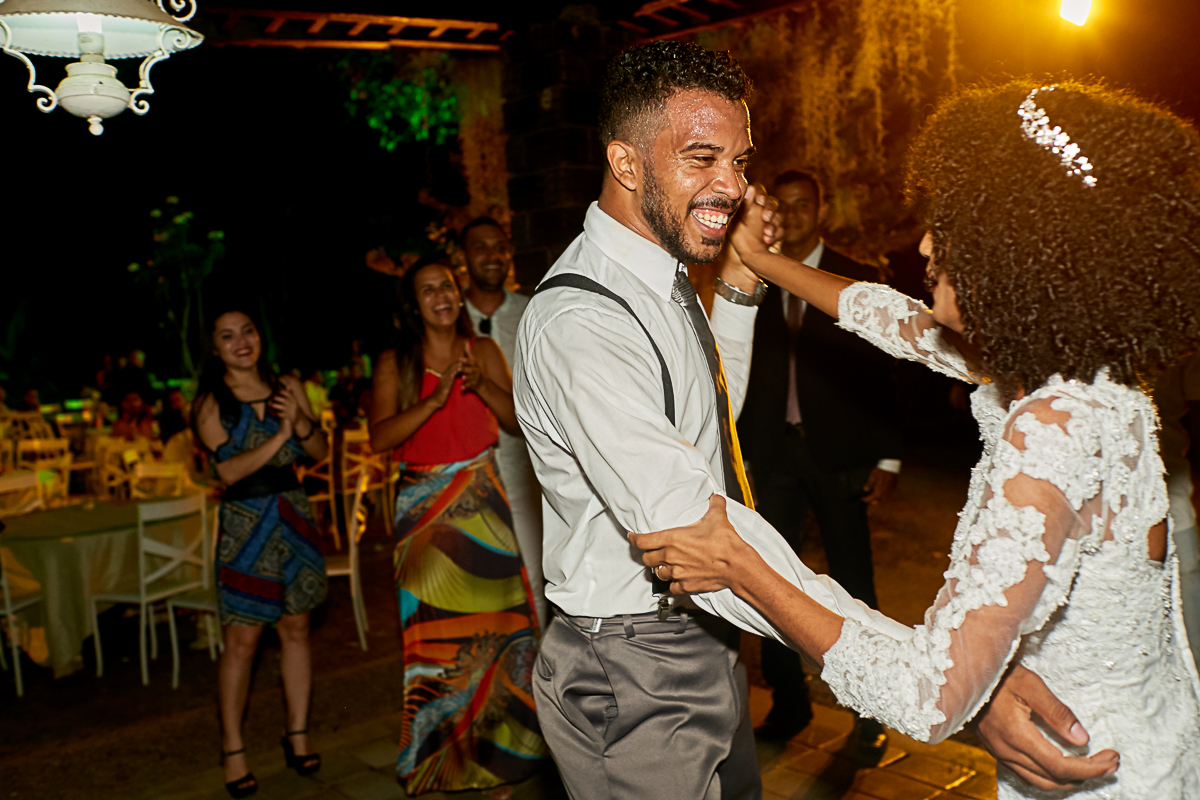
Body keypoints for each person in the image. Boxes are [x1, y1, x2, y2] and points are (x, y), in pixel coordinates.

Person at [632, 80, 1200, 797]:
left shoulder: (1052, 429)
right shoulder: (1092, 374)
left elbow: (929, 695)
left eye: (951, 229)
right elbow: (894, 320)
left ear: (1017, 251)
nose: (927, 244)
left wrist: (738, 564)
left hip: (1095, 777)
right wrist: (763, 264)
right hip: (1159, 744)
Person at [368, 258, 547, 798]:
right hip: (424, 514)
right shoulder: (396, 361)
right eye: (427, 290)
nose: (441, 296)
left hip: (483, 503)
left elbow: (517, 421)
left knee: (499, 636)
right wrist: (435, 400)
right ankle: (442, 764)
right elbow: (380, 438)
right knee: (438, 646)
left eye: (446, 286)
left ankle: (501, 763)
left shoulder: (483, 350)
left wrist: (480, 385)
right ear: (413, 305)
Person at [738, 168, 901, 747]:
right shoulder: (749, 275)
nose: (793, 213)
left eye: (803, 203)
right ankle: (791, 706)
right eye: (783, 204)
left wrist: (888, 459)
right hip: (772, 454)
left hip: (838, 456)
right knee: (772, 583)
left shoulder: (853, 278)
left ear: (822, 209)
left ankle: (870, 718)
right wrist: (741, 453)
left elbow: (886, 377)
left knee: (854, 586)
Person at [191, 308, 328, 798]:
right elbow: (229, 472)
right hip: (245, 527)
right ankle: (233, 749)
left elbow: (320, 452)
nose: (241, 341)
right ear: (215, 349)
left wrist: (301, 421)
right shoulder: (212, 403)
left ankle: (298, 733)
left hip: (294, 518)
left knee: (296, 631)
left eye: (247, 331)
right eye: (227, 336)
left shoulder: (288, 386)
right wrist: (282, 436)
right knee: (242, 643)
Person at [458, 216, 547, 629]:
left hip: (524, 468)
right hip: (465, 469)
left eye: (500, 247)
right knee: (474, 586)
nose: (492, 256)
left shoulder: (532, 311)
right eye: (481, 247)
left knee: (535, 580)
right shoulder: (448, 317)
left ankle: (540, 668)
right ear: (464, 257)